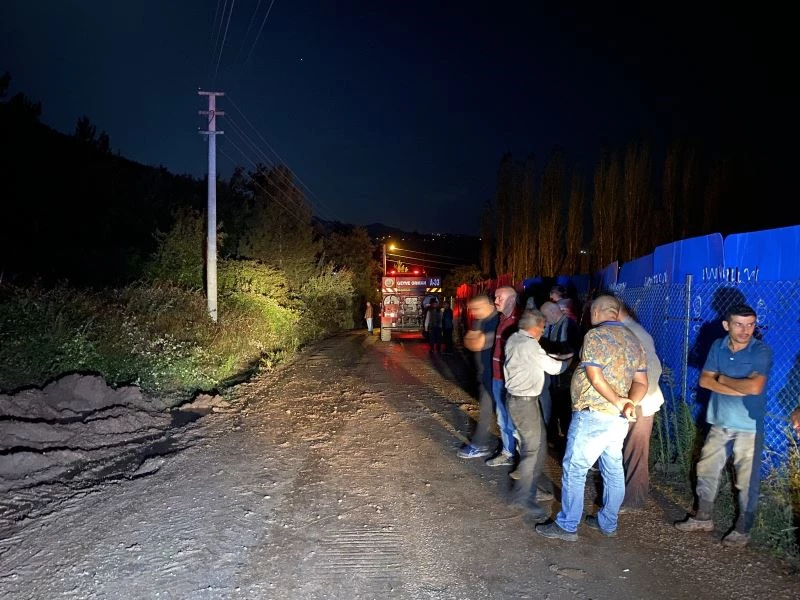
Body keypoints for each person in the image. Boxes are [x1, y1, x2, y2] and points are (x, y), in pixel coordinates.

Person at [535, 294, 647, 542]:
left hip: (593, 415)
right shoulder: (634, 340)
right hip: (618, 419)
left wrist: (618, 401)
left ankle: (567, 525)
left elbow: (595, 377)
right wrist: (629, 402)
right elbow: (641, 382)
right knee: (613, 469)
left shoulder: (595, 336)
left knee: (575, 469)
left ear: (596, 312)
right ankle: (608, 523)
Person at [674, 303, 773, 547]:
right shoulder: (717, 345)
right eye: (739, 324)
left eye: (750, 325)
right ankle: (703, 517)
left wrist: (723, 378)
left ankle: (743, 530)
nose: (745, 330)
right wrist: (738, 386)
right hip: (719, 421)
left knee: (746, 480)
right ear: (726, 325)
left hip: (749, 426)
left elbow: (755, 387)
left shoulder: (760, 350)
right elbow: (705, 381)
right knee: (706, 469)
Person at [504, 310, 573, 520]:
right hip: (524, 403)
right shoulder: (530, 345)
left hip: (521, 401)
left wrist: (557, 357)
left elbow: (538, 359)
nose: (543, 332)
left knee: (539, 446)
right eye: (542, 328)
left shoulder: (515, 339)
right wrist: (571, 361)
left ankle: (530, 487)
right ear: (534, 328)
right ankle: (522, 496)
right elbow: (554, 368)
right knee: (532, 449)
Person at [618, 302, 664, 512]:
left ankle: (634, 499)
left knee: (635, 451)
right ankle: (628, 496)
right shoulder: (632, 330)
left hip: (641, 401)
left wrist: (634, 400)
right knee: (630, 449)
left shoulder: (633, 333)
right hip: (638, 399)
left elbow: (652, 368)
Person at [457, 295, 500, 459]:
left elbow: (476, 343)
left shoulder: (497, 321)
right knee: (487, 409)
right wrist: (476, 340)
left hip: (495, 373)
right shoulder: (478, 321)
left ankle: (482, 444)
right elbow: (469, 342)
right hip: (483, 373)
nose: (474, 312)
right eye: (472, 309)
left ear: (489, 305)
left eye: (477, 308)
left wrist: (477, 340)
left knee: (497, 411)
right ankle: (482, 444)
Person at [539, 301, 581, 451]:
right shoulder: (553, 326)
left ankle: (565, 447)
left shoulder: (570, 326)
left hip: (565, 381)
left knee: (565, 415)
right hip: (554, 379)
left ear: (552, 313)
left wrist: (550, 355)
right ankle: (555, 441)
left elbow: (573, 352)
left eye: (544, 316)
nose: (544, 320)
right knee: (553, 411)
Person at [486, 286, 521, 468]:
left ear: (512, 299)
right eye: (495, 297)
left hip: (512, 381)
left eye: (500, 297)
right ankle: (508, 452)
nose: (496, 301)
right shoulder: (502, 318)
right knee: (502, 418)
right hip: (497, 377)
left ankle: (522, 460)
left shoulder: (519, 322)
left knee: (515, 420)